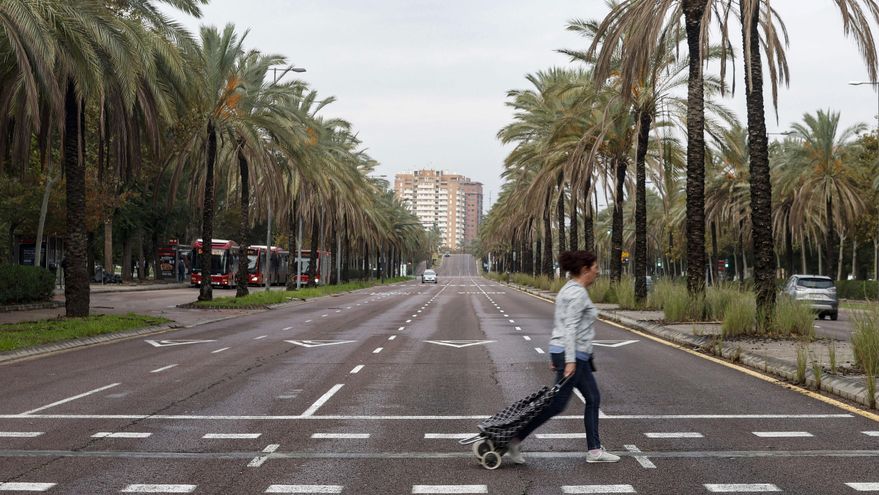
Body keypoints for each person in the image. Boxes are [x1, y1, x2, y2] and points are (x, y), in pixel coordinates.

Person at [507, 250, 620, 465]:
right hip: (574, 355)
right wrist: (568, 360)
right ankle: (515, 438)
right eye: (595, 267)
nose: (598, 272)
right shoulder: (577, 294)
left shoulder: (567, 289)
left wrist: (556, 354)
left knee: (592, 398)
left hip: (571, 353)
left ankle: (594, 450)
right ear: (585, 269)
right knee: (556, 405)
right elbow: (569, 328)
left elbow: (560, 324)